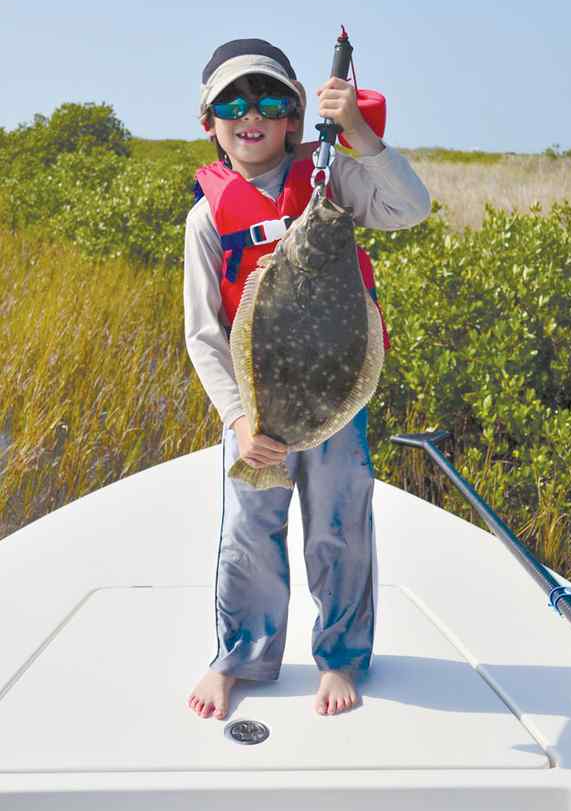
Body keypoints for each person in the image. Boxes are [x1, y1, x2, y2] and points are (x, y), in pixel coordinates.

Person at [184, 38, 431, 720]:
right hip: (255, 410)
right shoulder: (206, 217)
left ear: (294, 118)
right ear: (209, 122)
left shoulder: (333, 178)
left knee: (338, 526)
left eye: (269, 102)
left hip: (333, 399)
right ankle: (240, 656)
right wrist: (241, 422)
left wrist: (357, 133)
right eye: (232, 104)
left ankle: (341, 655)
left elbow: (410, 207)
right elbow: (204, 335)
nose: (250, 115)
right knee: (247, 531)